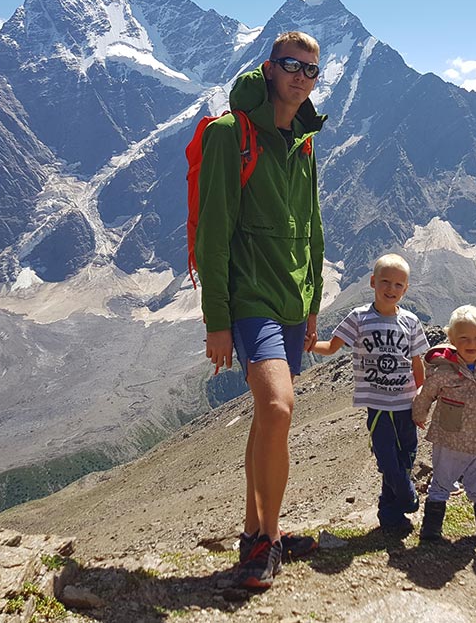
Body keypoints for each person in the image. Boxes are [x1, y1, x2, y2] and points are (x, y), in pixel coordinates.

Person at [196, 31, 326, 589]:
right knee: (277, 408)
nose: (301, 76)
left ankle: (254, 530)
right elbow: (214, 230)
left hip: (293, 297)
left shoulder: (304, 140)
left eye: (311, 70)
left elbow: (312, 226)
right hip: (250, 296)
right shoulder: (231, 134)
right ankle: (268, 541)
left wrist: (314, 299)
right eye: (291, 65)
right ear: (269, 70)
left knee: (267, 418)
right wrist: (218, 319)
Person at [312, 253, 429, 534]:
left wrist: (421, 398)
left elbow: (417, 365)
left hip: (406, 405)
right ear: (373, 282)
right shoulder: (359, 317)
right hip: (377, 407)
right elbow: (331, 348)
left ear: (406, 288)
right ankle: (406, 496)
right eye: (385, 282)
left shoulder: (411, 322)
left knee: (406, 457)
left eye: (398, 285)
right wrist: (308, 345)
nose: (391, 289)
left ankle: (390, 515)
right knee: (387, 458)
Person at [412, 305, 476, 543]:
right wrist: (420, 413)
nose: (471, 343)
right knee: (443, 479)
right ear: (452, 340)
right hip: (449, 437)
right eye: (464, 338)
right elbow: (426, 393)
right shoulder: (444, 371)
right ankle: (432, 525)